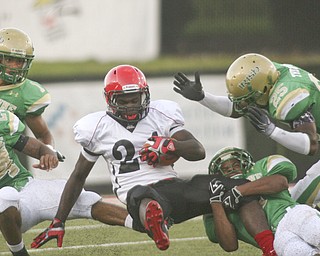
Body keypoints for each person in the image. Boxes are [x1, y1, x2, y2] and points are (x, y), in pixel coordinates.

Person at [31, 65, 275, 253]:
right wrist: (59, 220)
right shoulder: (96, 128)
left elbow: (197, 151)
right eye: (123, 101)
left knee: (238, 188)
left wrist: (172, 144)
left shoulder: (161, 114)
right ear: (110, 100)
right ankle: (157, 225)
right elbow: (78, 177)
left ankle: (269, 248)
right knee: (143, 197)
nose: (129, 105)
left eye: (134, 98)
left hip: (176, 189)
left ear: (144, 94)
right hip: (138, 194)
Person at [173, 53, 320, 207]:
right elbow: (236, 108)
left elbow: (310, 145)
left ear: (262, 89)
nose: (244, 103)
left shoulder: (288, 95)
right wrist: (202, 97)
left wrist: (271, 130)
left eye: (247, 98)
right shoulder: (269, 75)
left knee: (299, 201)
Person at [0, 109, 131, 256]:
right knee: (5, 197)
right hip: (4, 198)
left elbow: (36, 148)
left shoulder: (2, 122)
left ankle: (143, 222)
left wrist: (47, 154)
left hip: (24, 186)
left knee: (83, 199)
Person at [203, 146, 320, 256]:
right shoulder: (214, 201)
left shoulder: (259, 170)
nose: (232, 170)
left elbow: (281, 182)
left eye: (236, 165)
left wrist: (239, 190)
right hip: (279, 239)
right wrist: (216, 202)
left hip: (293, 215)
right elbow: (230, 245)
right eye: (225, 169)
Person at [0, 27, 64, 160]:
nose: (14, 66)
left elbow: (43, 134)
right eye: (9, 59)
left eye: (20, 61)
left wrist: (47, 153)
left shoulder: (27, 94)